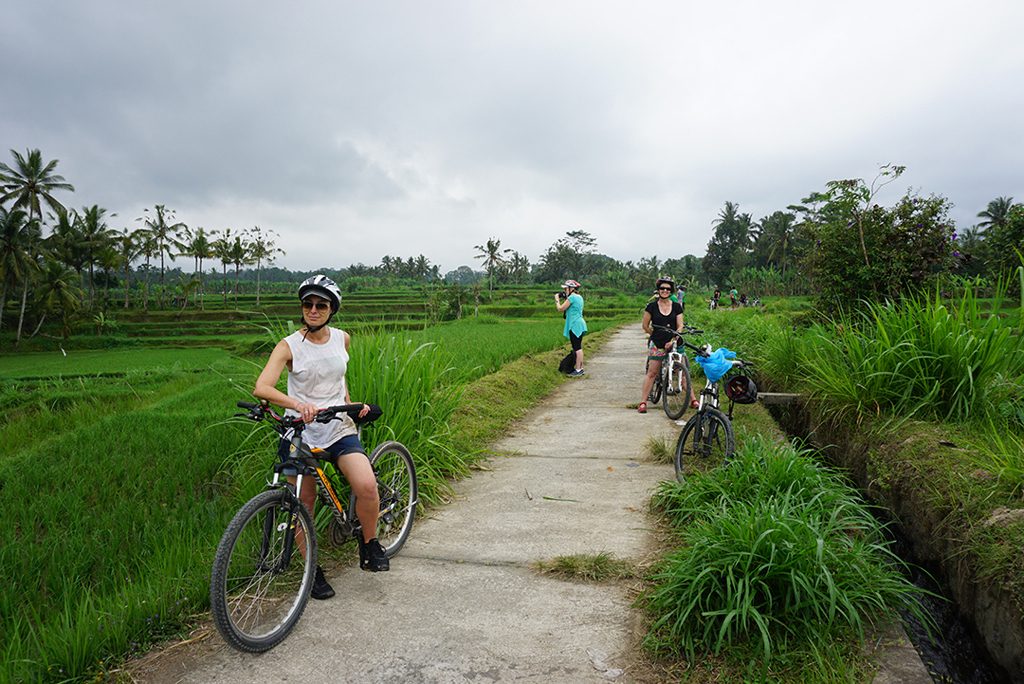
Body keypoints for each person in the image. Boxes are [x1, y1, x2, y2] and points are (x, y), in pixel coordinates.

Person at [253, 274, 388, 601]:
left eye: (321, 304)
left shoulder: (342, 339)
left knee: (366, 486)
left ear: (332, 309)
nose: (313, 309)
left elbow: (337, 381)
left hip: (338, 426)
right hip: (299, 430)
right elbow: (263, 387)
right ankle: (312, 567)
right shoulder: (288, 346)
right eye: (308, 304)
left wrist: (351, 406)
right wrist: (298, 405)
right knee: (302, 504)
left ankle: (369, 544)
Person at [639, 276, 697, 413]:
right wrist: (654, 335)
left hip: (674, 341)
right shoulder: (651, 307)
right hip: (658, 343)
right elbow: (645, 325)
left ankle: (693, 400)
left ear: (671, 291)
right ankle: (643, 402)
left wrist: (673, 340)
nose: (664, 291)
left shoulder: (676, 306)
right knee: (652, 372)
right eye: (662, 288)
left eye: (668, 289)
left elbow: (680, 325)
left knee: (682, 372)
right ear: (658, 290)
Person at [555, 279, 587, 376]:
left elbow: (560, 309)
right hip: (580, 324)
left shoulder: (572, 298)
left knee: (577, 348)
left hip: (575, 325)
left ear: (571, 289)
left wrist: (556, 299)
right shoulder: (579, 297)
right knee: (578, 347)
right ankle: (580, 368)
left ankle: (578, 370)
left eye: (566, 289)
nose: (565, 291)